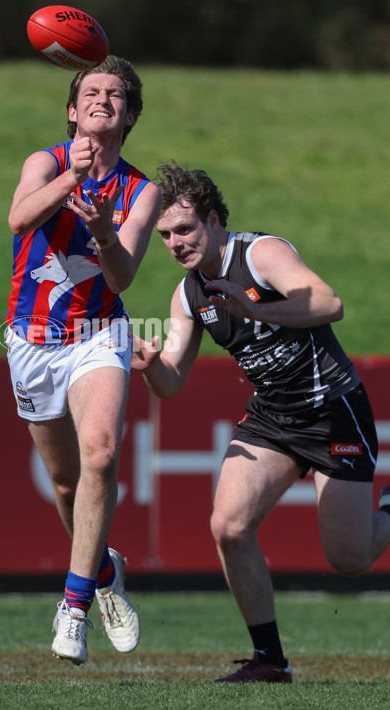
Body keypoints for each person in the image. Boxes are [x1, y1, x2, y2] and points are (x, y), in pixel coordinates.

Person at [132, 161, 390, 683]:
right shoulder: (187, 296)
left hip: (332, 409)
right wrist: (149, 367)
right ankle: (271, 660)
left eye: (184, 229)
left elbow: (329, 302)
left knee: (349, 560)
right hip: (272, 418)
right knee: (228, 527)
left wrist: (256, 312)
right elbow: (172, 382)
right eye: (164, 235)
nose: (176, 243)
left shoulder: (259, 253)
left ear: (212, 220)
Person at [5, 56, 162, 665]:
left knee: (100, 454)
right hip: (31, 340)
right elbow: (19, 218)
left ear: (129, 114)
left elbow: (122, 278)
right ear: (73, 110)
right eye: (91, 91)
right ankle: (103, 572)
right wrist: (72, 181)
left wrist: (101, 231)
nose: (102, 98)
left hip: (100, 333)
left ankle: (73, 608)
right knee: (67, 482)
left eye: (115, 93)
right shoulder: (44, 162)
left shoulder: (141, 191)